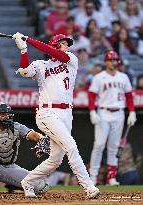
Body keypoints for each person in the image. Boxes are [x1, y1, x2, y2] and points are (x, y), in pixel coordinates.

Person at [12, 33, 100, 198]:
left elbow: (56, 53)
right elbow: (23, 71)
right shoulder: (41, 64)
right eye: (64, 43)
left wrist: (29, 40)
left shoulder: (71, 59)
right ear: (55, 44)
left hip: (67, 113)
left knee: (55, 159)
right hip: (47, 112)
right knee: (71, 146)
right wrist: (23, 50)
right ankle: (88, 187)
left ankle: (28, 182)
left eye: (67, 44)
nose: (67, 46)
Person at [88, 50, 137, 186]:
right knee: (99, 144)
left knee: (114, 147)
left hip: (119, 113)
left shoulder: (123, 77)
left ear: (117, 61)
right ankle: (93, 176)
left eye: (114, 60)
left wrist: (132, 112)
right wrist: (92, 112)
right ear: (106, 62)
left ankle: (111, 177)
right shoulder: (99, 77)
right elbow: (91, 95)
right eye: (110, 60)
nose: (112, 62)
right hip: (103, 112)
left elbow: (129, 96)